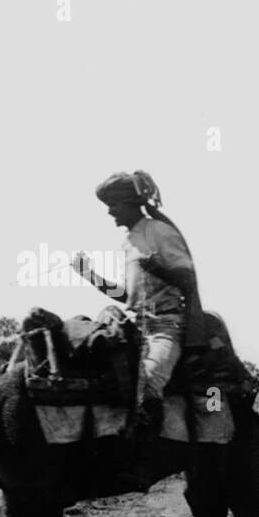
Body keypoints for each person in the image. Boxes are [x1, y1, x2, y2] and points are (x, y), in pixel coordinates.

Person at [78, 170, 207, 430]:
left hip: (166, 328)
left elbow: (188, 280)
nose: (109, 212)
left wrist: (158, 268)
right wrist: (90, 276)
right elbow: (127, 296)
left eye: (114, 205)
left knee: (145, 385)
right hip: (134, 328)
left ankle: (143, 463)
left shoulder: (160, 231)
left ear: (131, 204)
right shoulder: (127, 243)